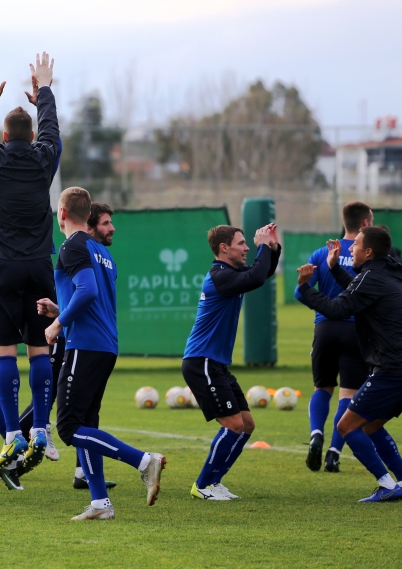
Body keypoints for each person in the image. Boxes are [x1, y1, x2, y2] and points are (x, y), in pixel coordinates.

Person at [0, 51, 60, 490]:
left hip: (0, 268)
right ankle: (41, 427)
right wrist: (45, 91)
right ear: (34, 134)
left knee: (3, 352)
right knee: (40, 349)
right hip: (39, 265)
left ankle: (13, 435)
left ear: (3, 135)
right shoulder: (44, 160)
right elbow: (53, 131)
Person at [38, 187, 165, 519]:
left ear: (62, 213)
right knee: (84, 424)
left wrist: (57, 324)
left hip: (86, 346)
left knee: (67, 428)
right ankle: (99, 503)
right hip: (104, 344)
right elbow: (91, 297)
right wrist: (59, 309)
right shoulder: (98, 250)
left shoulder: (73, 246)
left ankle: (144, 461)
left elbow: (88, 291)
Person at [296, 228, 402, 502]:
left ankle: (387, 485)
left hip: (393, 368)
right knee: (371, 426)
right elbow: (358, 290)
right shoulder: (388, 270)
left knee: (347, 427)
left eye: (354, 245)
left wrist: (306, 287)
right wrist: (332, 268)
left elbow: (336, 310)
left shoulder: (371, 277)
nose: (349, 249)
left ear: (368, 252)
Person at [182, 223, 280, 501]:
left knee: (247, 424)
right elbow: (257, 277)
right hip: (201, 361)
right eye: (241, 243)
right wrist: (263, 247)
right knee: (234, 425)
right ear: (224, 248)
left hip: (216, 364)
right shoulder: (219, 276)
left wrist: (271, 247)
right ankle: (202, 484)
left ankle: (215, 481)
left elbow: (263, 272)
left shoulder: (230, 274)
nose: (247, 247)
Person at [295, 201, 372, 473]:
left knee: (322, 389)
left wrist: (324, 310)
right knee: (348, 394)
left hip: (325, 328)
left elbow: (299, 292)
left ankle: (316, 434)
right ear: (365, 223)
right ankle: (334, 453)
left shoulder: (323, 252)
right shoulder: (368, 255)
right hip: (356, 331)